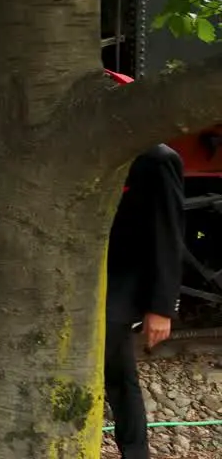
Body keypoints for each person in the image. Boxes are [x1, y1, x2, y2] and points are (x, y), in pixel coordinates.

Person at [104, 140, 186, 459]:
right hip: (89, 273)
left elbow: (169, 235)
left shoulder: (158, 160)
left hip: (126, 279)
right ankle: (136, 452)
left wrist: (161, 308)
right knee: (120, 373)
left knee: (111, 370)